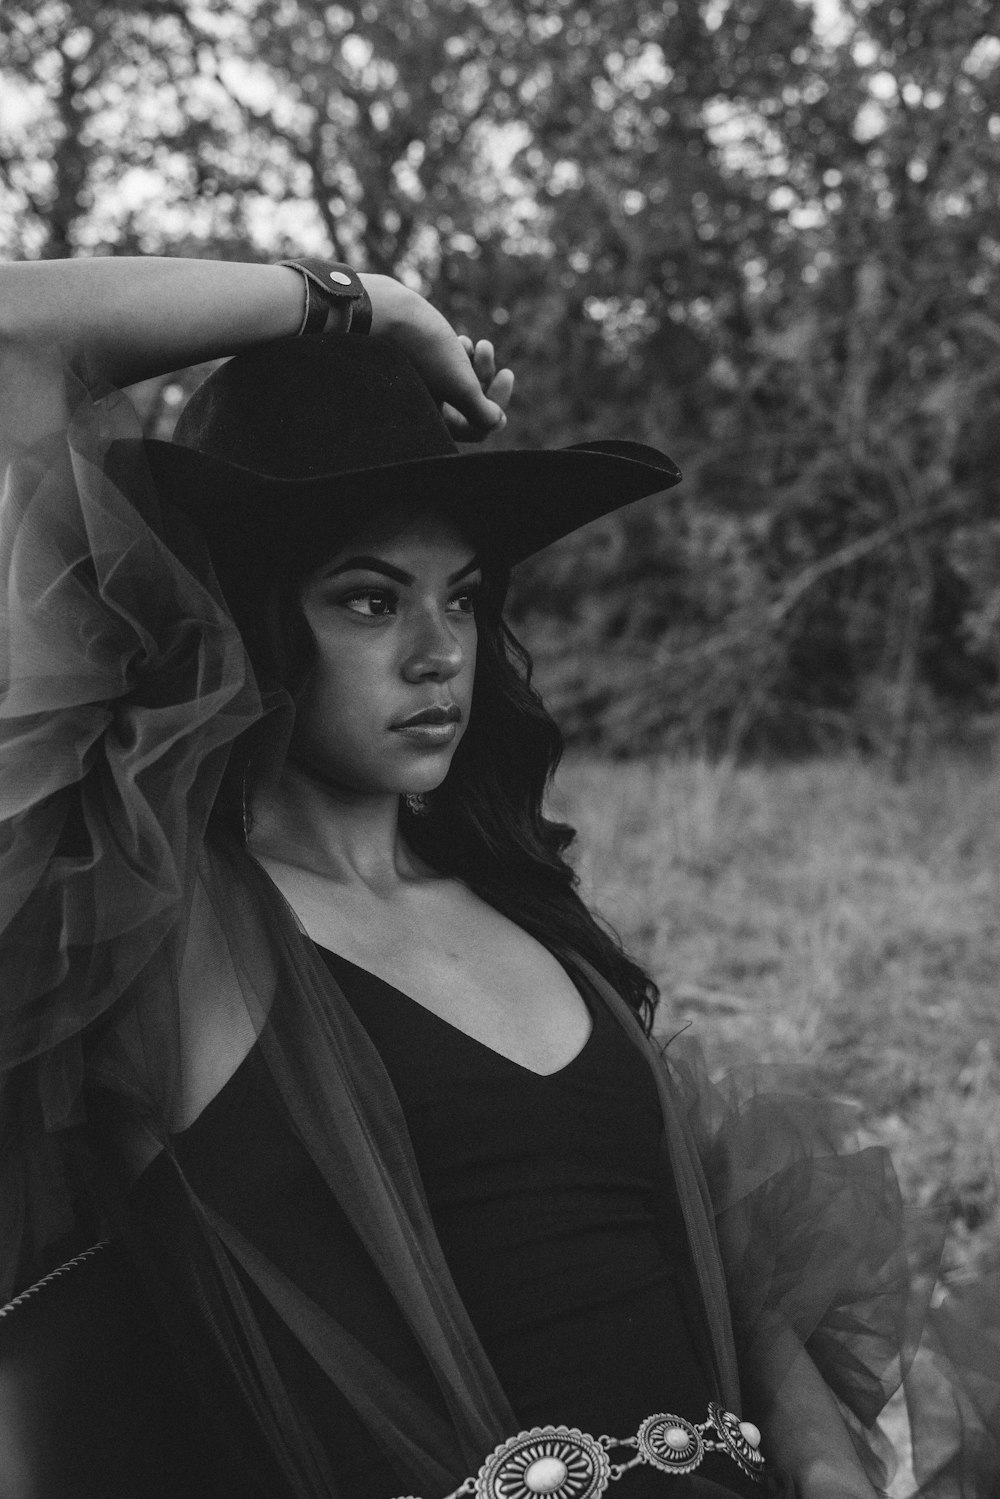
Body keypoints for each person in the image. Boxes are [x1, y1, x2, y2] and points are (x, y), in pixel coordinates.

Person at [0, 254, 925, 1499]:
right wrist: (365, 303)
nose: (441, 652)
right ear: (248, 612)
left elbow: (685, 1228)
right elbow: (16, 330)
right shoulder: (164, 929)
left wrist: (817, 1454)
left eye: (464, 598)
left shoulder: (515, 901)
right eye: (370, 601)